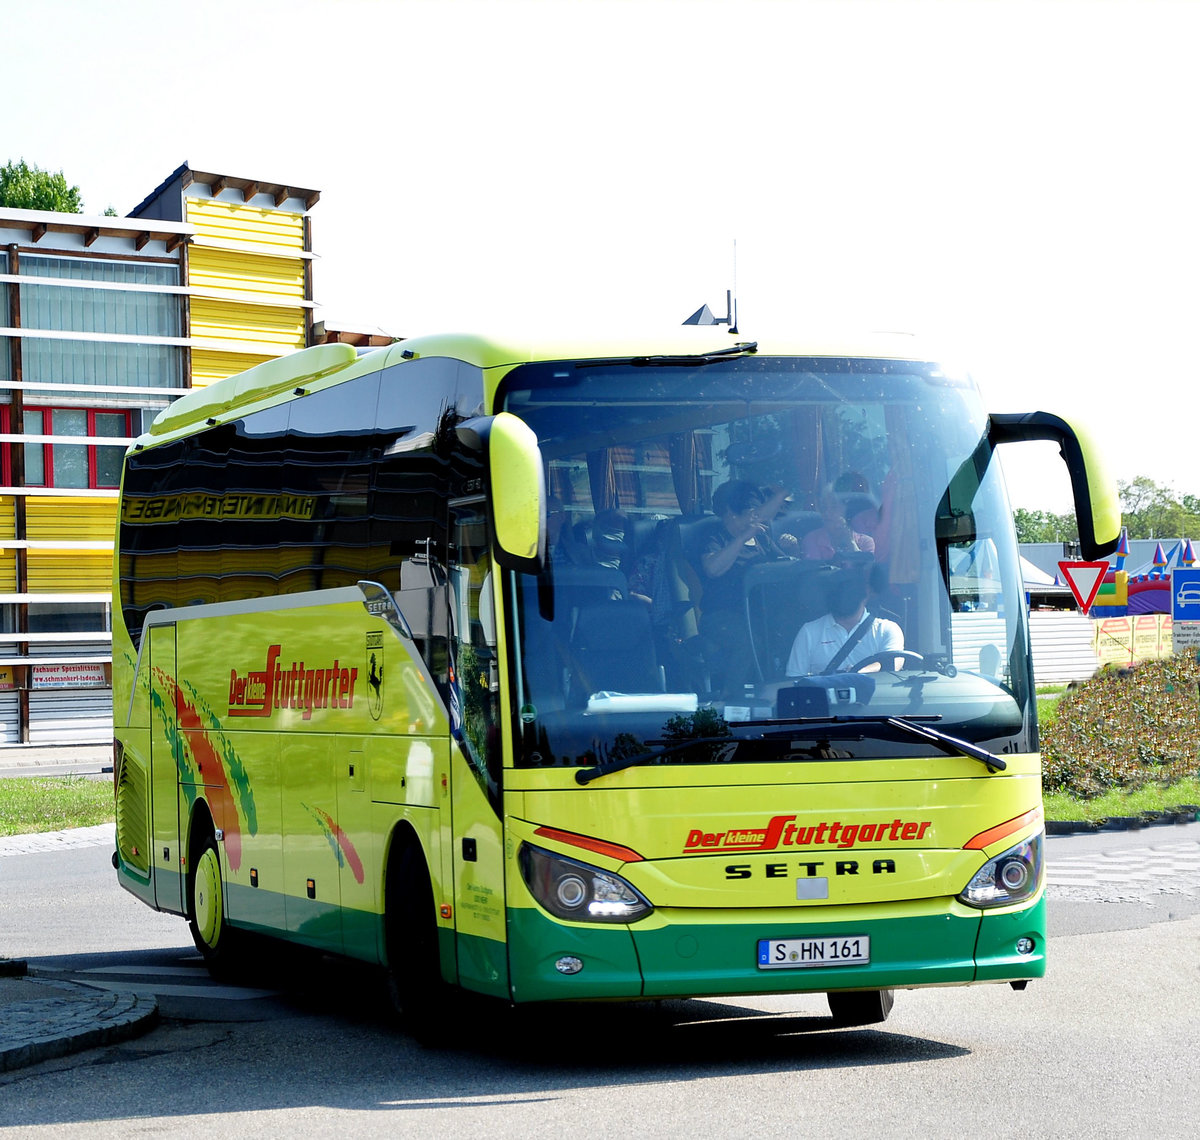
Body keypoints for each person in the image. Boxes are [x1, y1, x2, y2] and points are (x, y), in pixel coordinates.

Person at [700, 480, 792, 699]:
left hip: (760, 614)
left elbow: (782, 565)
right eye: (751, 513)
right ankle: (729, 699)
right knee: (750, 643)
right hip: (720, 617)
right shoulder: (714, 535)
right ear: (731, 513)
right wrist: (742, 539)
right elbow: (712, 569)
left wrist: (792, 551)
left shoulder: (761, 537)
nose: (756, 518)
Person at [786, 568, 903, 677]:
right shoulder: (809, 632)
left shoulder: (887, 629)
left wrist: (856, 672)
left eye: (849, 593)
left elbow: (893, 665)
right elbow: (795, 678)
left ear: (865, 596)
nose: (844, 598)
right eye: (838, 593)